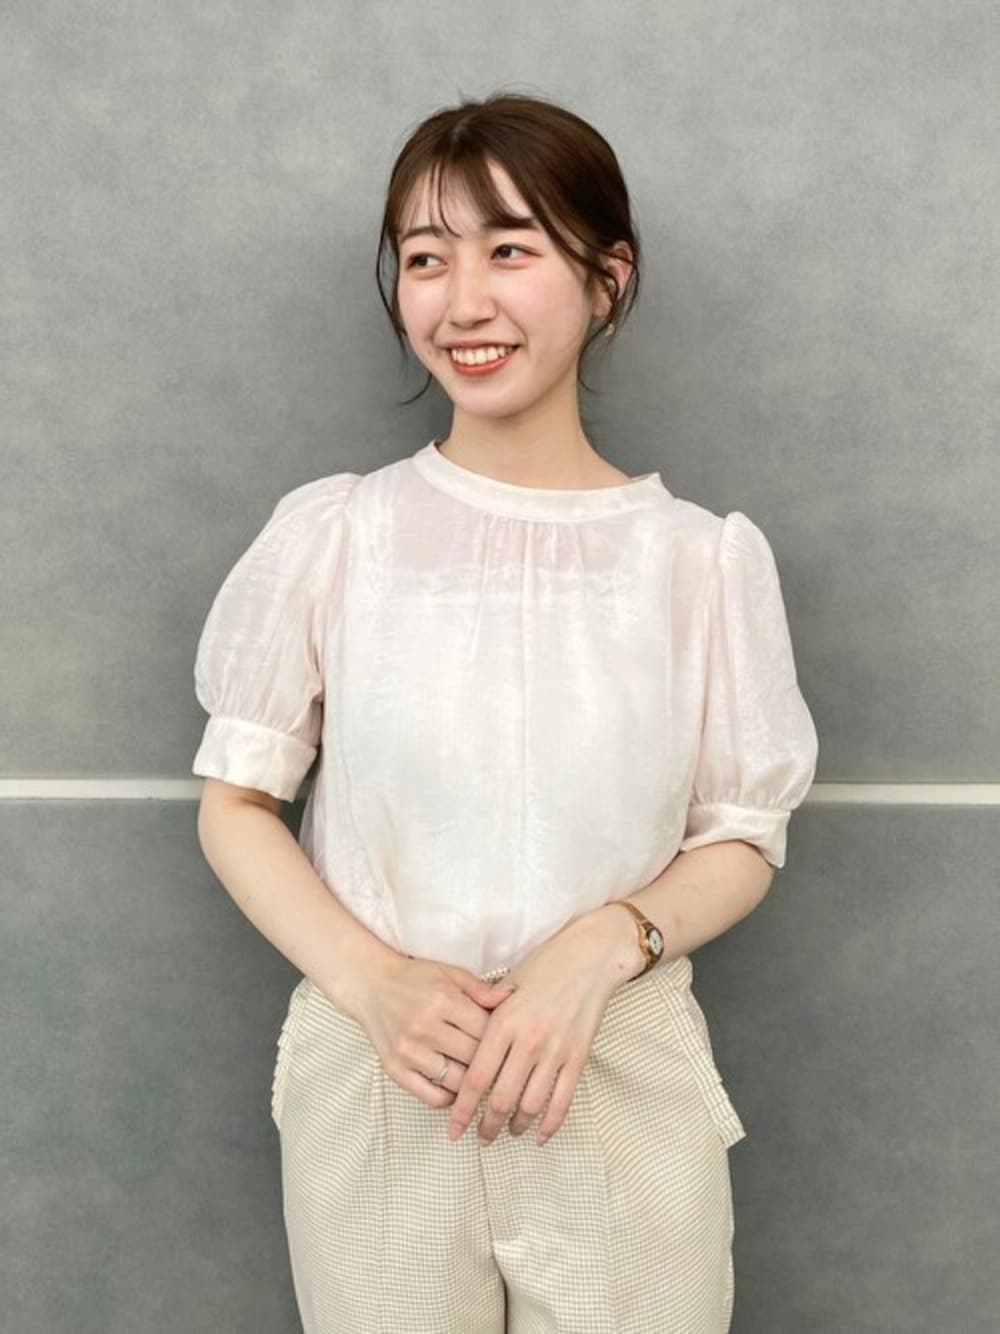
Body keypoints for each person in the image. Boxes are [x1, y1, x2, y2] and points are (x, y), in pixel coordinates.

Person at [191, 90, 819, 1334]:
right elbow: (237, 801)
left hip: (618, 1079)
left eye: (510, 249)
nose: (461, 301)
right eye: (426, 258)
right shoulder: (339, 532)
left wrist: (605, 945)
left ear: (606, 277)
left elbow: (745, 834)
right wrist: (372, 982)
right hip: (380, 1081)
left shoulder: (698, 561)